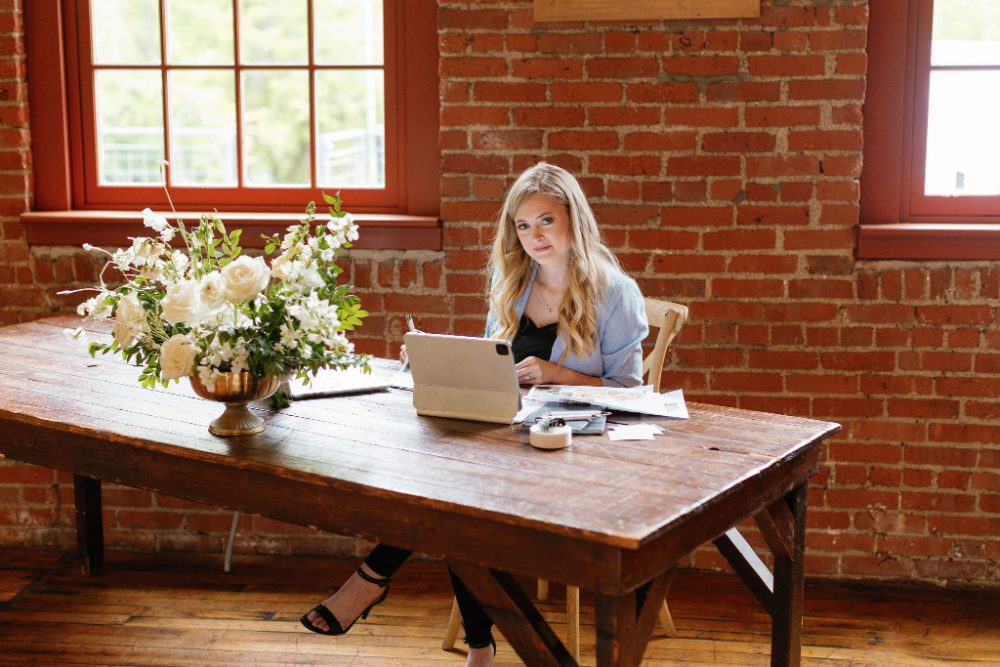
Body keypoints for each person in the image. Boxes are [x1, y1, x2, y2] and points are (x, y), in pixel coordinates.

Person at [299, 162, 648, 666]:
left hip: (570, 452)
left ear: (575, 218)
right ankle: (475, 644)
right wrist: (442, 362)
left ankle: (379, 588)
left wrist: (555, 373)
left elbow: (629, 394)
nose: (534, 237)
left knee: (455, 499)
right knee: (450, 488)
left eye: (546, 221)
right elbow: (495, 362)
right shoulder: (514, 284)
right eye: (523, 226)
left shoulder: (614, 292)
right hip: (510, 438)